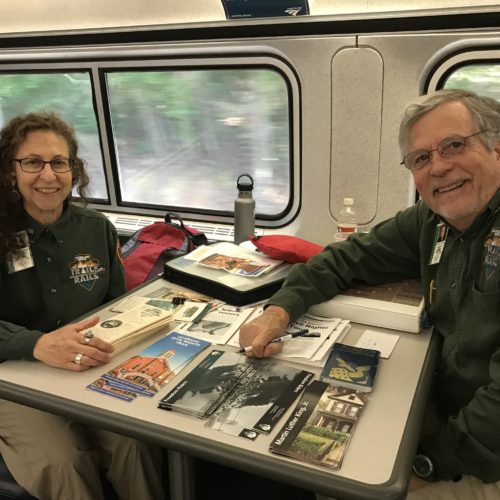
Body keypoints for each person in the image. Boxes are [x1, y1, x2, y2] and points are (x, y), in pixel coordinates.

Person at [239, 89, 500, 500]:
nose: (439, 168)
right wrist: (278, 312)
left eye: (454, 145)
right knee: (323, 458)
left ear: (496, 148)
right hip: (445, 410)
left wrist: (425, 465)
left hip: (485, 455)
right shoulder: (432, 221)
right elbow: (341, 260)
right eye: (421, 158)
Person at [0, 112, 165, 500]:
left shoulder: (96, 228)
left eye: (59, 162)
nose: (48, 175)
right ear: (10, 172)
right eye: (32, 162)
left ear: (74, 170)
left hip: (88, 365)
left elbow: (119, 307)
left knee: (135, 441)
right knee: (62, 460)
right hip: (13, 373)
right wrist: (36, 345)